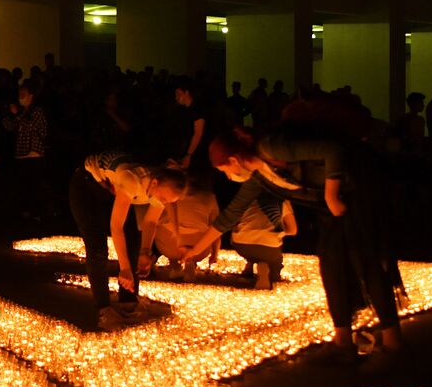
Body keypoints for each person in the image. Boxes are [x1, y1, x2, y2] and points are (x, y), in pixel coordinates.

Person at [183, 125, 405, 355]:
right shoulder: (260, 178)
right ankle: (342, 341)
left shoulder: (270, 148)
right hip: (329, 207)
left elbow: (333, 150)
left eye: (224, 170)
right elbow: (229, 216)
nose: (228, 177)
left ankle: (393, 342)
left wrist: (331, 194)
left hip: (357, 190)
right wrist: (195, 250)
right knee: (331, 264)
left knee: (364, 260)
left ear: (233, 159)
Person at [69, 149, 188, 330]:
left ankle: (128, 303)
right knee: (97, 248)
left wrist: (145, 253)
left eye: (169, 201)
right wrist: (124, 268)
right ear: (154, 183)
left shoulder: (159, 185)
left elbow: (150, 221)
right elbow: (116, 226)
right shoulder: (133, 180)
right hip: (86, 186)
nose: (164, 202)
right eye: (164, 198)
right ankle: (104, 309)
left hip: (111, 188)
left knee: (133, 241)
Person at [229, 190, 297, 290]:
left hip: (242, 244)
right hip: (269, 247)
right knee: (275, 267)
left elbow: (233, 221)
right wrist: (281, 233)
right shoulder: (281, 200)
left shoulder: (246, 196)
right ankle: (264, 267)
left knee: (241, 230)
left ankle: (250, 262)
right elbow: (293, 230)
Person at [2, 82, 49, 221]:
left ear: (31, 96)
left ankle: (38, 212)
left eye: (23, 95)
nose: (20, 98)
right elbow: (11, 127)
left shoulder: (37, 111)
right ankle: (27, 211)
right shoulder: (21, 112)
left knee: (35, 184)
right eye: (19, 95)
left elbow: (32, 126)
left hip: (34, 153)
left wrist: (17, 115)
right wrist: (7, 115)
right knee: (24, 185)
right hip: (21, 153)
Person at [171, 77, 206, 170]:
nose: (176, 97)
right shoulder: (185, 110)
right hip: (188, 151)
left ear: (186, 92)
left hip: (196, 153)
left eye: (178, 94)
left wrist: (189, 155)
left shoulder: (197, 109)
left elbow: (198, 133)